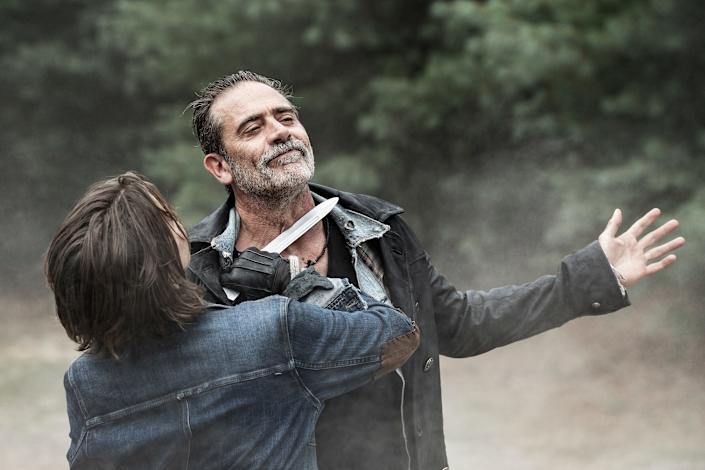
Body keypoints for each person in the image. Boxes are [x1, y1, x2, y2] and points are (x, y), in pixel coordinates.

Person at [186, 71, 685, 470]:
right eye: (253, 128)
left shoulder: (378, 230)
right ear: (220, 167)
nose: (281, 132)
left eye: (286, 117)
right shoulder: (200, 272)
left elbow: (458, 324)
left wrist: (593, 278)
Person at [45, 172, 420, 469]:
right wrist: (297, 281)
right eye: (168, 217)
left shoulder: (85, 381)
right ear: (165, 250)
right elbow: (398, 334)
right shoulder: (272, 330)